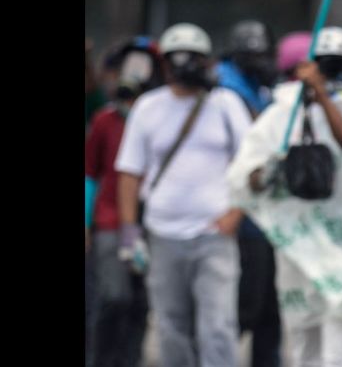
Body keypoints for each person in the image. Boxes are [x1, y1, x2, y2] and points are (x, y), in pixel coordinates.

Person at [226, 26, 342, 367]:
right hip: (300, 252)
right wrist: (270, 170)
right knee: (305, 347)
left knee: (340, 351)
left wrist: (322, 96)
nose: (336, 74)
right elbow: (246, 177)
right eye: (328, 65)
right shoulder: (283, 115)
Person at [114, 22, 252, 367]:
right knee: (170, 325)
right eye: (178, 59)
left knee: (217, 325)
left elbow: (249, 164)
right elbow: (129, 173)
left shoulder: (225, 104)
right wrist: (131, 234)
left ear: (208, 63)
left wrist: (235, 214)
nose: (186, 66)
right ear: (164, 64)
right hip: (163, 234)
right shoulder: (148, 107)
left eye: (194, 59)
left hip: (213, 235)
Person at [86, 36, 162, 367]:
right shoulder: (106, 119)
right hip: (110, 222)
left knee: (140, 303)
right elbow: (90, 174)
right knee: (113, 296)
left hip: (152, 224)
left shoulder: (161, 117)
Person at [217, 19, 282, 367]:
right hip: (241, 218)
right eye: (253, 55)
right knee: (246, 307)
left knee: (270, 312)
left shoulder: (261, 89)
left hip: (266, 218)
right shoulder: (226, 92)